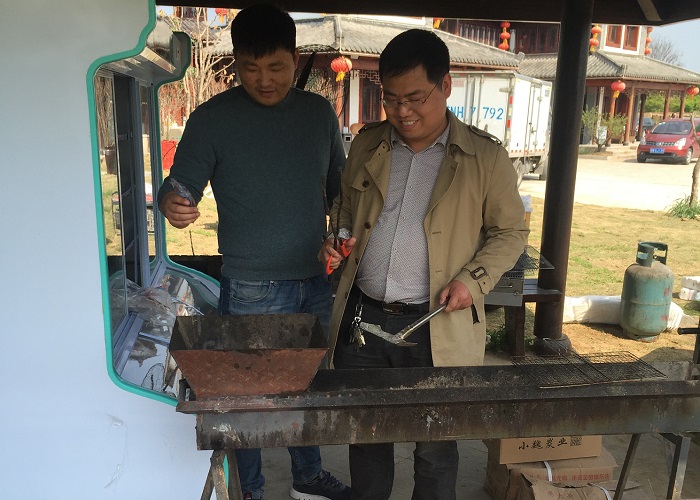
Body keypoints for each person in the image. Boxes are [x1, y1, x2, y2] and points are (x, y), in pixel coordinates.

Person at [319, 29, 528, 500]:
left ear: (446, 85)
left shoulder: (484, 157)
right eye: (391, 100)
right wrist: (338, 238)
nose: (402, 111)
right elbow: (346, 208)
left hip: (437, 323)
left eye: (415, 98)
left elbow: (511, 232)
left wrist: (473, 281)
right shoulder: (368, 144)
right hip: (364, 319)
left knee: (435, 446)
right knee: (367, 437)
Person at [157, 4, 349, 500]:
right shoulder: (212, 119)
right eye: (250, 68)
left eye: (276, 67)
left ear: (295, 58)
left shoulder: (318, 115)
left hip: (315, 280)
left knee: (307, 386)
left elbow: (342, 191)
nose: (264, 80)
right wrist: (172, 202)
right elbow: (179, 186)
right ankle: (251, 490)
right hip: (250, 286)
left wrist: (342, 233)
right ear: (236, 63)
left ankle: (308, 478)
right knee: (247, 397)